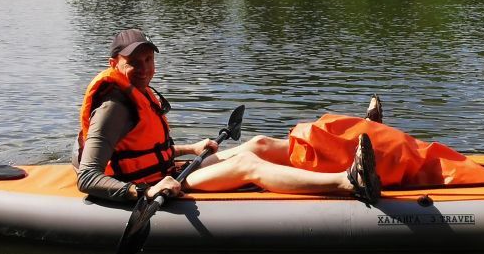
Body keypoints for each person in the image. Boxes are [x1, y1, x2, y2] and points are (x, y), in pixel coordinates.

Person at [74, 28, 382, 206]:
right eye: (133, 61)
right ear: (114, 62)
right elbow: (87, 177)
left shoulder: (138, 92)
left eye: (149, 59)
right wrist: (142, 191)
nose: (144, 68)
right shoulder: (113, 106)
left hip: (171, 169)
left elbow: (142, 149)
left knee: (258, 143)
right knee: (247, 164)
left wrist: (190, 148)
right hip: (162, 185)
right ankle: (349, 181)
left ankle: (350, 148)